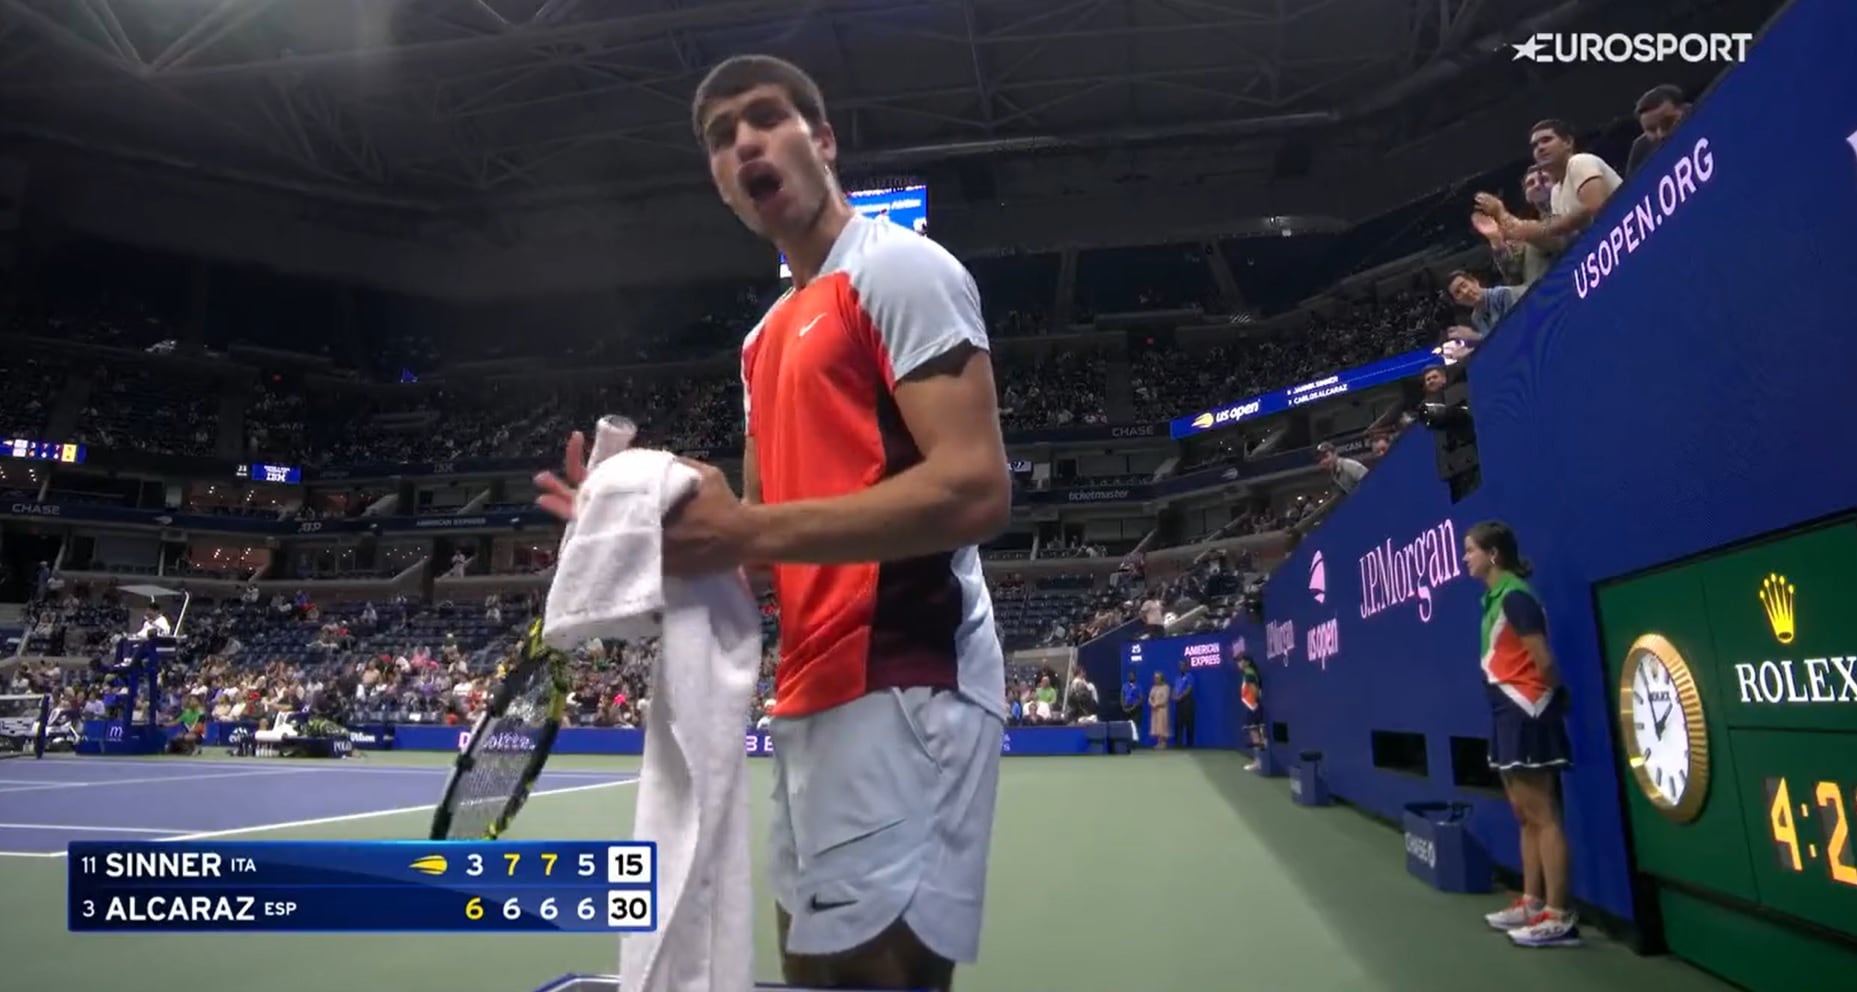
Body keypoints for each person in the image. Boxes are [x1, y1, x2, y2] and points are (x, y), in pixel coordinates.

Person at [534, 54, 1009, 992]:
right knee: (809, 973)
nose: (743, 140)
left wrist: (742, 533)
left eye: (765, 118)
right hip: (812, 690)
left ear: (822, 141)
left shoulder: (900, 268)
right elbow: (761, 535)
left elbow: (974, 491)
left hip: (904, 675)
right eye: (720, 136)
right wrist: (638, 533)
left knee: (870, 981)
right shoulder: (760, 343)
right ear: (720, 183)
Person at [1463, 521, 1580, 948]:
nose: (1465, 557)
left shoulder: (1515, 597)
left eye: (1471, 550)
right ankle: (1533, 902)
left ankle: (1559, 913)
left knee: (1543, 813)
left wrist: (1553, 697)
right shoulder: (1494, 599)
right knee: (1523, 814)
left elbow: (1544, 662)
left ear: (1493, 554)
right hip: (1506, 712)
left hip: (1527, 709)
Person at [1238, 652, 1266, 771]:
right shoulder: (1249, 672)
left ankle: (1258, 762)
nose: (1239, 663)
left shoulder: (1248, 673)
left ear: (1247, 662)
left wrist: (1253, 704)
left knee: (1255, 734)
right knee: (1257, 734)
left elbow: (1254, 690)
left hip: (1252, 707)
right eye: (1238, 661)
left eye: (1241, 660)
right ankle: (1260, 761)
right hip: (1253, 706)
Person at [1171, 659, 1196, 749]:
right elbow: (1174, 688)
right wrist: (1173, 696)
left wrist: (1180, 697)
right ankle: (1178, 744)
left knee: (1189, 724)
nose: (1180, 667)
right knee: (1178, 723)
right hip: (1178, 704)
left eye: (1182, 665)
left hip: (1187, 702)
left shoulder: (1190, 676)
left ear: (1186, 666)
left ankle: (1189, 744)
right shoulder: (1177, 678)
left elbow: (1189, 689)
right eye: (1179, 665)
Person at [1146, 671, 1171, 749]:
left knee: (1162, 725)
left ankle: (1164, 742)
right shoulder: (1154, 688)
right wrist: (1152, 704)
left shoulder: (1166, 687)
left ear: (1161, 679)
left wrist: (1157, 704)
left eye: (1157, 678)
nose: (1155, 679)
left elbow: (1165, 699)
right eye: (1155, 678)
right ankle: (1159, 742)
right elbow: (1150, 698)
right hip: (1155, 710)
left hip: (1162, 709)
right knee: (1156, 726)